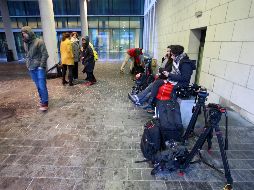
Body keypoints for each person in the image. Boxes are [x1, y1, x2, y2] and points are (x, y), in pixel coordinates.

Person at [21, 26, 49, 111]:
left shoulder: (39, 42)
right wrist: (27, 64)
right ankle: (42, 100)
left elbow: (45, 54)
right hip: (31, 68)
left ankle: (45, 102)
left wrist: (41, 66)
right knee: (38, 86)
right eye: (22, 34)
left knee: (42, 85)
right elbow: (27, 54)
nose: (24, 35)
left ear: (29, 33)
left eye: (25, 33)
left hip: (39, 68)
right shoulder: (25, 43)